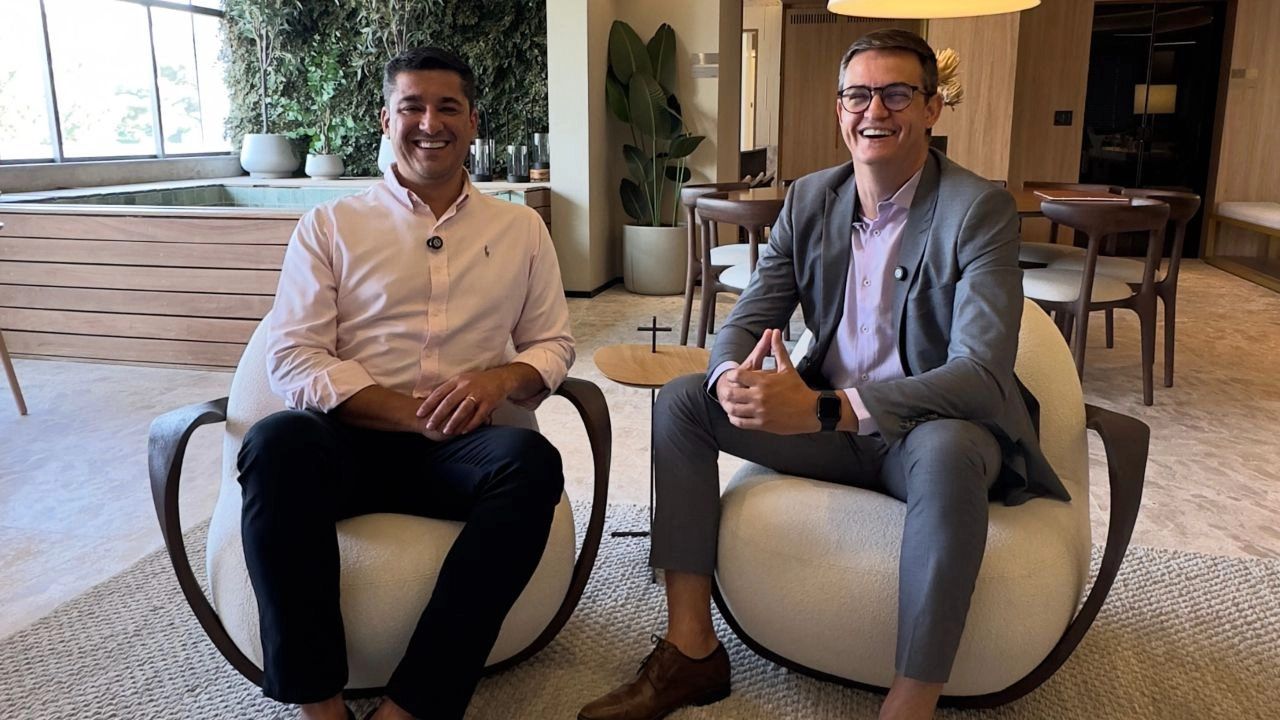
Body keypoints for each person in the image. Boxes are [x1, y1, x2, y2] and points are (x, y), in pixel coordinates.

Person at [579, 28, 1069, 720]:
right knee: (686, 401)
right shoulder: (810, 199)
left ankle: (910, 701)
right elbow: (749, 318)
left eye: (896, 94)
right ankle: (691, 651)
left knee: (951, 446)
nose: (875, 111)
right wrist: (729, 378)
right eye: (858, 95)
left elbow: (981, 376)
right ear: (840, 110)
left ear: (932, 108)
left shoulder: (976, 210)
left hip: (926, 431)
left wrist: (825, 408)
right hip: (828, 428)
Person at [237, 47, 574, 720]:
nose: (430, 122)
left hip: (459, 452)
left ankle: (413, 706)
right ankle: (320, 706)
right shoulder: (331, 226)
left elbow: (554, 344)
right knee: (276, 444)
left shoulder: (521, 228)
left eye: (448, 107)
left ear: (473, 122)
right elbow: (294, 357)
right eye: (412, 106)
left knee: (532, 463)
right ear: (386, 119)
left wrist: (501, 379)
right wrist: (409, 414)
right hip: (345, 439)